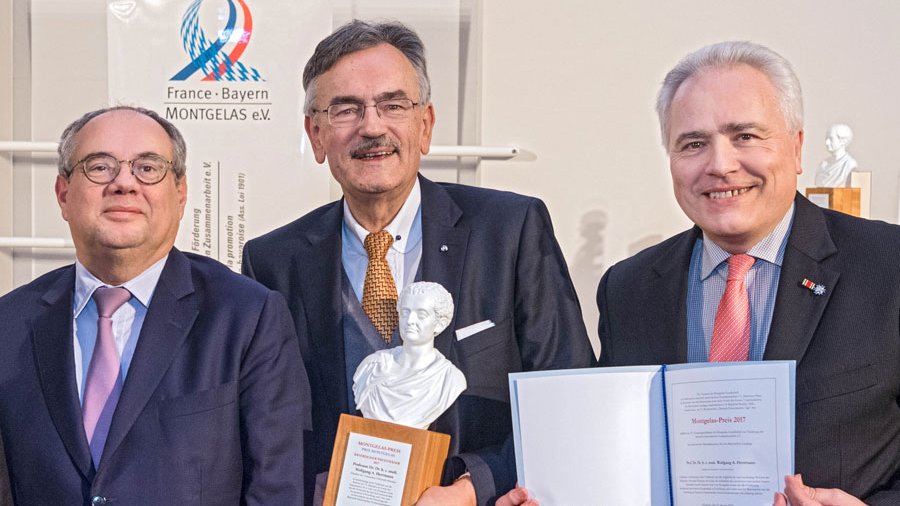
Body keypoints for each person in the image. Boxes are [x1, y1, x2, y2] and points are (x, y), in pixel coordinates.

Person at [241, 19, 593, 506]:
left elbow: (567, 395)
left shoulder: (509, 230)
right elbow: (267, 424)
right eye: (346, 109)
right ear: (316, 135)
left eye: (393, 105)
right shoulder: (272, 262)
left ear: (424, 125)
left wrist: (473, 489)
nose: (371, 126)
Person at [593, 41, 899, 505]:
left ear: (796, 148)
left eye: (746, 136)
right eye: (693, 144)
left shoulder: (888, 265)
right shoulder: (628, 289)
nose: (720, 165)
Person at [0, 106, 310, 504]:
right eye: (99, 167)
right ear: (63, 195)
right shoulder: (9, 325)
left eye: (148, 168)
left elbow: (277, 492)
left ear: (180, 195)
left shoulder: (247, 319)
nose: (124, 184)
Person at [353, 281, 466, 429]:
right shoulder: (372, 367)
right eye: (405, 312)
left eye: (421, 314)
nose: (410, 321)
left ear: (440, 323)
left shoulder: (449, 379)